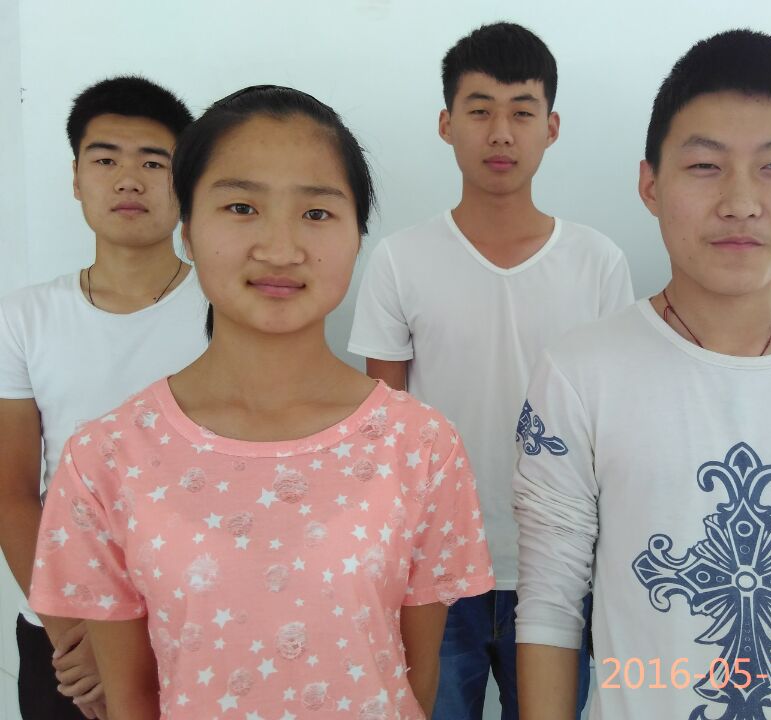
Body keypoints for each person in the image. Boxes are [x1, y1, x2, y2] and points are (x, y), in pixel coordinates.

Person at [28, 84, 493, 720]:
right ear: (188, 230)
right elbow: (130, 699)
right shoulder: (106, 457)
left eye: (317, 213)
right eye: (241, 207)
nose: (280, 248)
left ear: (357, 236)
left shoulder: (421, 444)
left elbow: (415, 680)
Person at [514, 30, 771, 720]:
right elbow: (551, 605)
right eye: (705, 166)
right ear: (650, 184)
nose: (741, 202)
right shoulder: (580, 373)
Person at [348, 21, 633, 719]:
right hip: (437, 570)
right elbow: (384, 431)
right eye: (479, 111)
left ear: (551, 127)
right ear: (446, 123)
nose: (500, 133)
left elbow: (619, 425)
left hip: (562, 566)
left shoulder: (598, 262)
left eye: (521, 112)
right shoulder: (400, 260)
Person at [0, 75, 204, 720]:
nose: (128, 180)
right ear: (76, 177)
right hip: (63, 633)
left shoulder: (227, 309)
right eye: (106, 159)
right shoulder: (23, 318)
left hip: (198, 621)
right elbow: (12, 492)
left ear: (184, 180)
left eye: (153, 162)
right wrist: (75, 638)